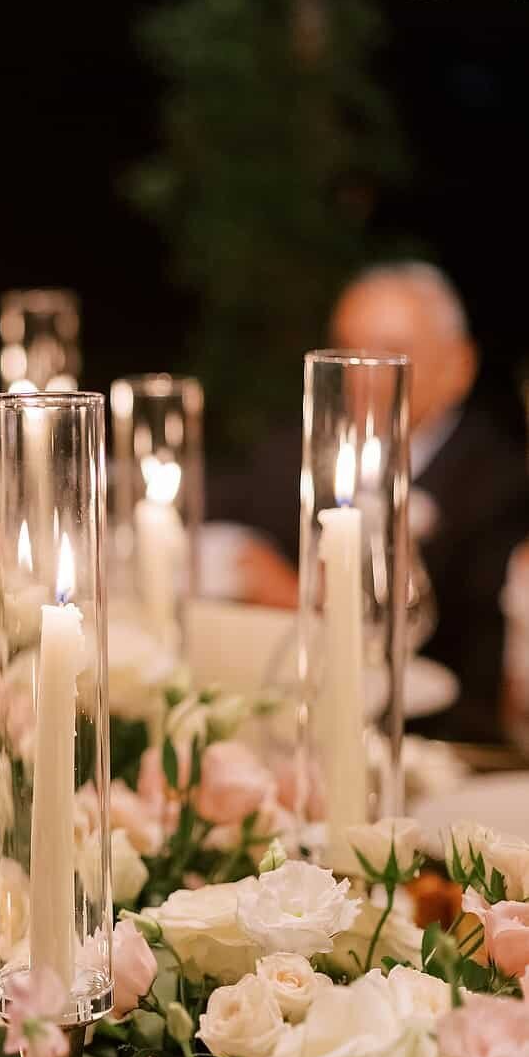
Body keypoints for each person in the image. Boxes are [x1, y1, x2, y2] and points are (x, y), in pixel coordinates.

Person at [206, 262, 529, 741]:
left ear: (459, 366)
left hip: (434, 742)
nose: (362, 373)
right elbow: (207, 516)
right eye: (346, 348)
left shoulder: (500, 482)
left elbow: (471, 649)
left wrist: (315, 603)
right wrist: (245, 562)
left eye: (392, 352)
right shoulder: (290, 453)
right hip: (290, 729)